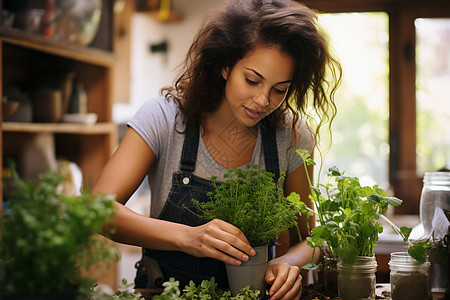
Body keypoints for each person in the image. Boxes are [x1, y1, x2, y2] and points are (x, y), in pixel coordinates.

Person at [93, 0, 341, 299]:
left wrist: (288, 262)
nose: (263, 100)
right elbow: (99, 211)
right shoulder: (163, 118)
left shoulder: (291, 136)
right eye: (252, 80)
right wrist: (188, 237)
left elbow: (309, 237)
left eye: (279, 89)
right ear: (225, 66)